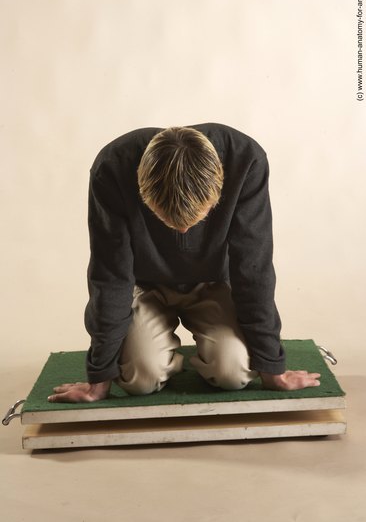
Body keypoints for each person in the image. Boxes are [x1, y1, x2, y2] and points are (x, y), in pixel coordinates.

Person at [48, 123, 320, 403]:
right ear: (143, 192)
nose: (182, 232)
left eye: (195, 219)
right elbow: (110, 274)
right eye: (167, 218)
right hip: (144, 285)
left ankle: (200, 355)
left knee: (233, 374)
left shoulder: (246, 158)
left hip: (214, 282)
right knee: (140, 381)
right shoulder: (112, 166)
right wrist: (99, 378)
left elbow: (253, 268)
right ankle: (161, 356)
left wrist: (272, 368)